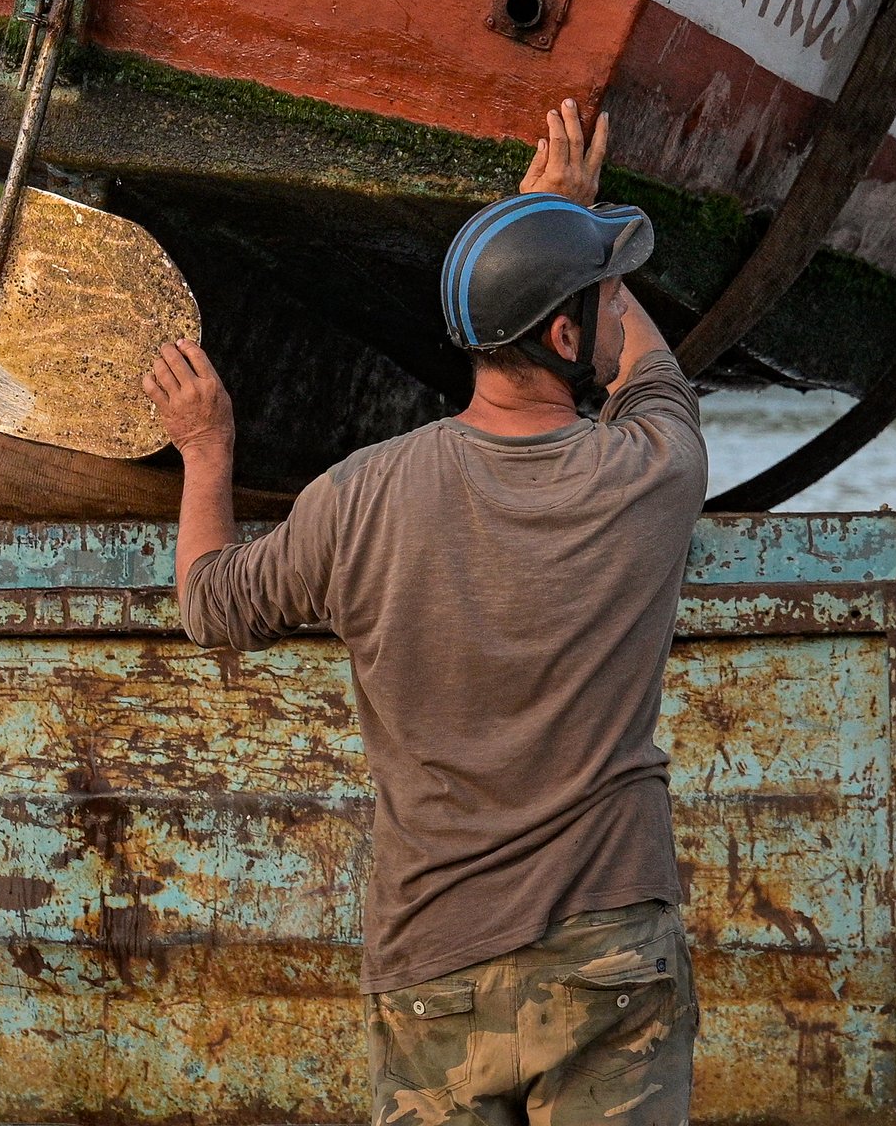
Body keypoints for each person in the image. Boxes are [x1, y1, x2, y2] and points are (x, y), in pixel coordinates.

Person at [154, 99, 706, 1126]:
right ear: (562, 330)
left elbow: (209, 605)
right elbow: (640, 359)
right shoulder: (650, 472)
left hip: (430, 957)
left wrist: (207, 447)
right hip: (605, 945)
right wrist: (567, 220)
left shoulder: (359, 497)